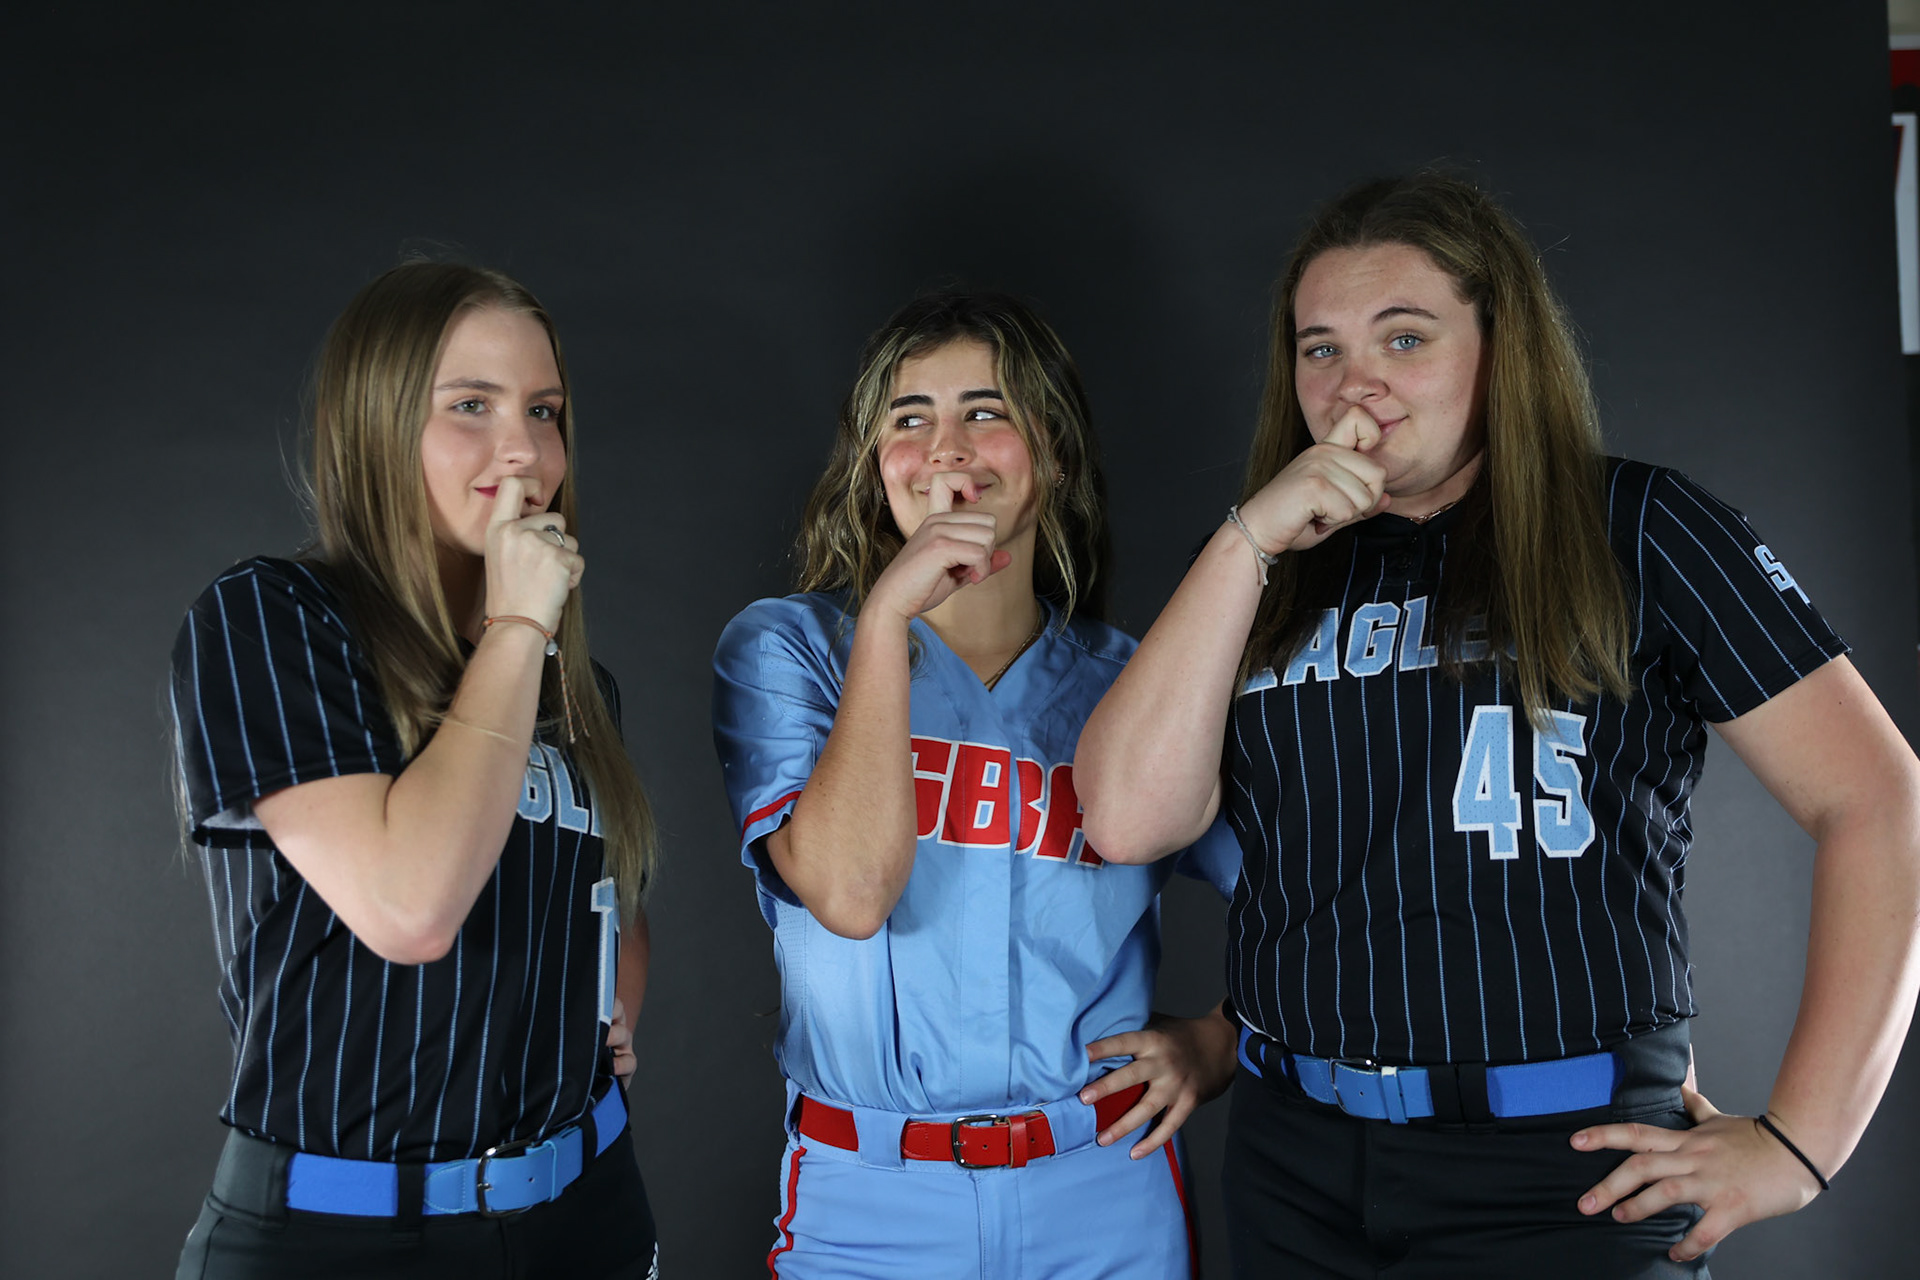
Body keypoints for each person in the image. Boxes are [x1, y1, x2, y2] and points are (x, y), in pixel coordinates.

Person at [1072, 173, 1920, 1277]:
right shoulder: (1261, 566)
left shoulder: (1640, 526)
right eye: (1317, 346)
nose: (1353, 381)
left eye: (1405, 336)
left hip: (1563, 1170)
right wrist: (1247, 541)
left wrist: (1802, 1144)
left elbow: (1879, 798)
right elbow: (1130, 818)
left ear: (1497, 347)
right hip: (1296, 1159)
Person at [710, 291, 1241, 1278]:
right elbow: (850, 890)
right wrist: (885, 622)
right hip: (870, 1190)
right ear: (876, 467)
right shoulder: (790, 649)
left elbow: (1315, 904)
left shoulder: (1136, 682)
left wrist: (1219, 1042)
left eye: (986, 410)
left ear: (1056, 454)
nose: (946, 447)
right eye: (909, 419)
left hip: (1101, 1181)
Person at [169, 262, 660, 1279]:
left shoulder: (578, 685)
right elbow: (411, 906)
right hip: (344, 1232)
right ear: (379, 424)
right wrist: (521, 619)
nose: (522, 447)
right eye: (470, 406)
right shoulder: (274, 618)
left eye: (544, 409)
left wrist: (602, 1008)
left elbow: (605, 887)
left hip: (581, 1210)